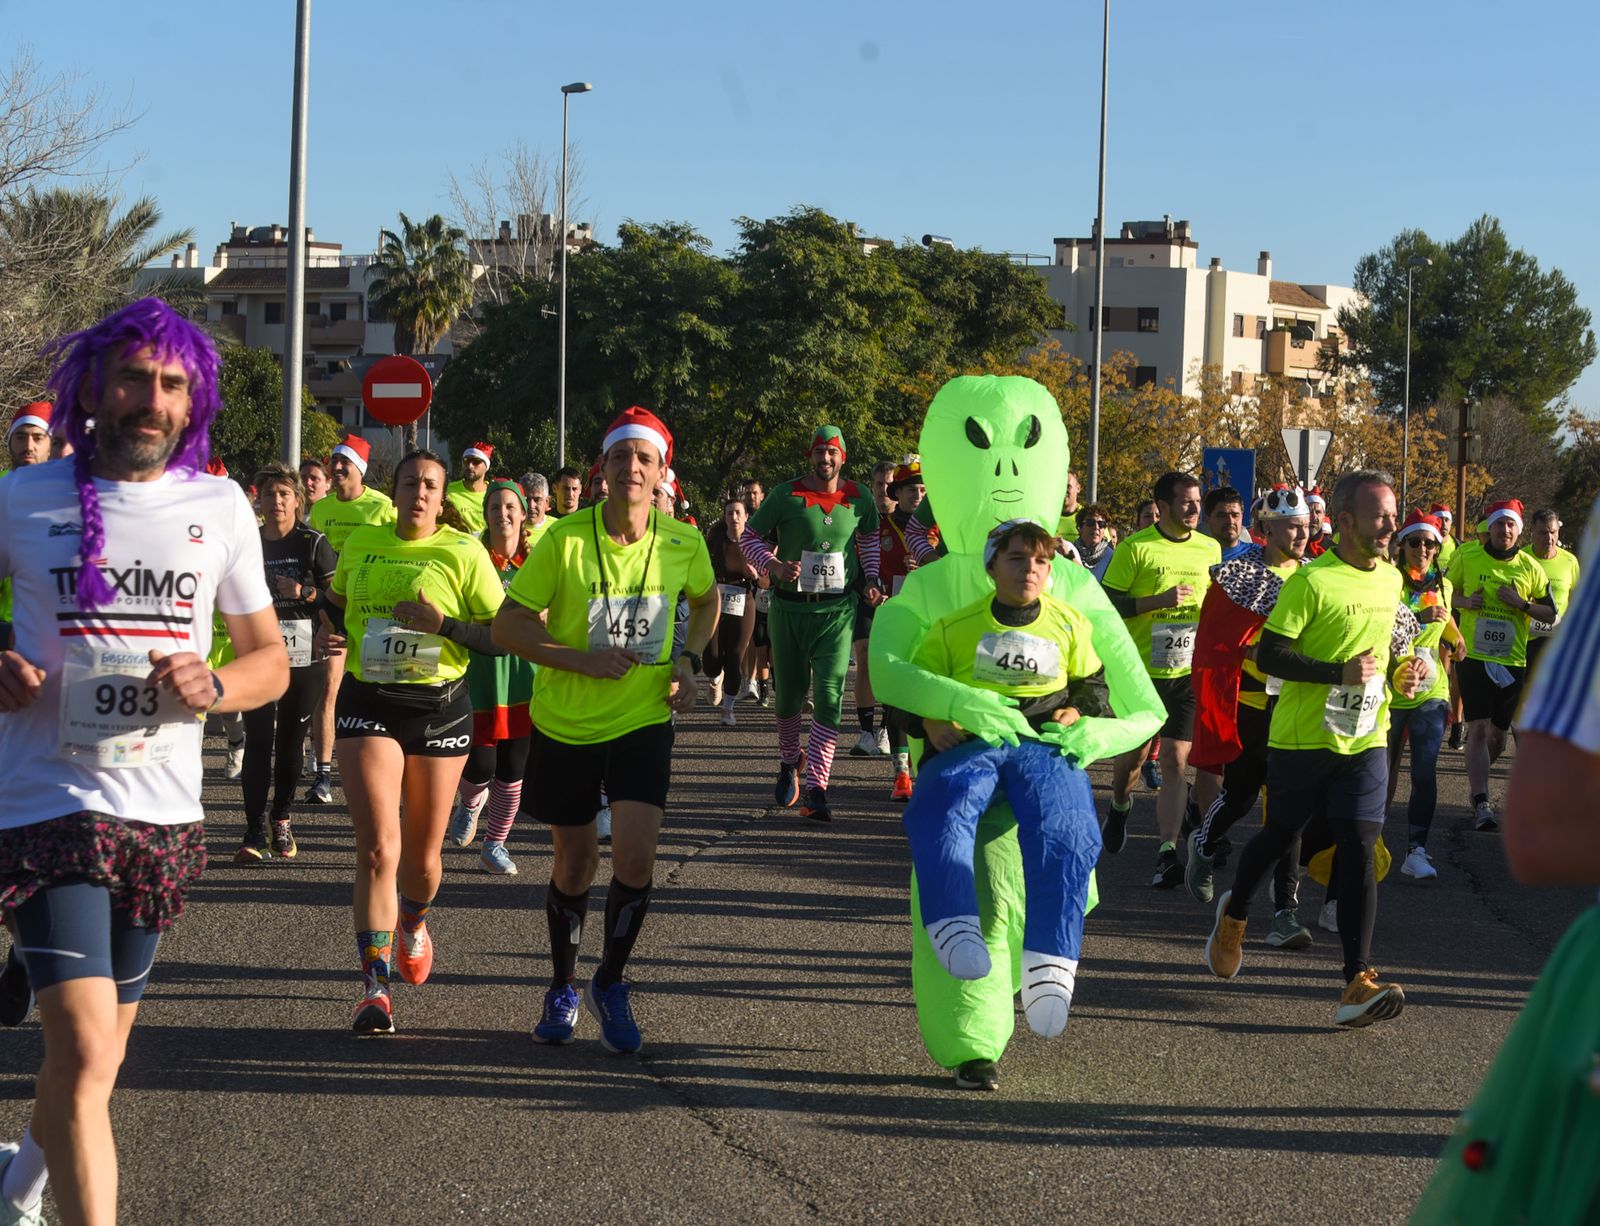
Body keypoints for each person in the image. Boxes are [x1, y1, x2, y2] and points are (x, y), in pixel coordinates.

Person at [0, 299, 287, 1223]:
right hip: (48, 805)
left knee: (94, 1063)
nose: (148, 401)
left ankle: (14, 1193)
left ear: (191, 397)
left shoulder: (218, 505)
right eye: (132, 378)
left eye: (169, 384)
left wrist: (217, 684)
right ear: (93, 386)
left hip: (164, 816)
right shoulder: (22, 497)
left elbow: (271, 660)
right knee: (83, 1056)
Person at [869, 375, 1162, 1092]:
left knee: (1042, 870)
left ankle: (1038, 977)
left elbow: (1132, 697)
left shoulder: (1073, 589)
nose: (1002, 465)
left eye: (1021, 447)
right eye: (979, 446)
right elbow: (888, 668)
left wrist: (1089, 729)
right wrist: (937, 713)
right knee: (967, 881)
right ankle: (973, 1043)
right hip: (958, 764)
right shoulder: (932, 588)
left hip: (1041, 767)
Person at [492, 406, 716, 1055]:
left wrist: (689, 658)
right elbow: (508, 626)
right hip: (566, 722)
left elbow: (705, 601)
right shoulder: (563, 539)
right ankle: (563, 984)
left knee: (637, 855)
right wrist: (578, 659)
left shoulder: (683, 543)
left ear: (661, 472)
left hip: (644, 718)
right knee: (576, 861)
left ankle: (609, 983)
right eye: (621, 457)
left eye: (644, 459)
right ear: (603, 470)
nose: (632, 468)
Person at [1409, 495, 1600, 1225]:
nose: (1518, 535)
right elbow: (1545, 829)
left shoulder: (1562, 567)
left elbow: (1549, 616)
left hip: (1521, 654)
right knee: (1483, 734)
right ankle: (1477, 796)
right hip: (1476, 664)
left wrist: (1527, 605)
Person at [1205, 470, 1425, 1028]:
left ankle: (1357, 979)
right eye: (1380, 516)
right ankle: (1234, 915)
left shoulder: (1392, 580)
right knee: (1281, 836)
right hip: (1303, 739)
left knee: (1357, 847)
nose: (1391, 526)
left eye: (1393, 515)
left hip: (1366, 738)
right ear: (1346, 522)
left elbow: (1381, 657)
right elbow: (1272, 655)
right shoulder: (1311, 583)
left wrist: (1408, 669)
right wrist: (1337, 672)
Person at [902, 519, 1127, 1038]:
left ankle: (1051, 963)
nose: (1031, 569)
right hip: (973, 741)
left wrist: (1079, 711)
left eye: (1042, 561)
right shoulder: (954, 627)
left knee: (1070, 830)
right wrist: (930, 720)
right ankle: (953, 923)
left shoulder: (1070, 623)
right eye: (1018, 558)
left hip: (1041, 746)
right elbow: (912, 688)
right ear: (992, 565)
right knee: (940, 811)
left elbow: (1093, 685)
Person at [321, 448, 503, 1035]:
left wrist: (444, 627)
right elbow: (340, 603)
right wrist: (330, 633)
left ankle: (414, 921)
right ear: (393, 490)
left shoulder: (463, 551)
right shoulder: (362, 543)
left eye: (430, 485)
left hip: (439, 709)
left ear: (441, 496)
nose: (419, 492)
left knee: (423, 862)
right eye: (409, 483)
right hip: (368, 702)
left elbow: (501, 636)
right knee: (378, 847)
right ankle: (374, 987)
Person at [1184, 485, 1311, 952]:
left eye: (1305, 525)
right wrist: (1256, 651)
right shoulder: (1240, 575)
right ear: (1267, 529)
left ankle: (1285, 912)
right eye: (1291, 526)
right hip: (1251, 707)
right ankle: (1203, 841)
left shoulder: (1316, 576)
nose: (1300, 533)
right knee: (1238, 798)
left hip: (1296, 710)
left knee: (1288, 811)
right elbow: (1215, 642)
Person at [740, 426, 883, 822]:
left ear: (843, 457)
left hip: (837, 611)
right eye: (819, 452)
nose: (825, 459)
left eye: (832, 453)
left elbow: (870, 539)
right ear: (810, 456)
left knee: (830, 694)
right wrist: (773, 565)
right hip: (789, 610)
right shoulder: (785, 495)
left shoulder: (859, 497)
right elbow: (749, 538)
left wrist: (871, 579)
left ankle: (818, 786)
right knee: (788, 698)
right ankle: (789, 762)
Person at [1100, 472, 1220, 888]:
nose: (1194, 509)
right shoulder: (1135, 549)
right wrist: (1159, 601)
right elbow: (1109, 604)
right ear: (1162, 507)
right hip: (1140, 673)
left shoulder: (1210, 547)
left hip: (1186, 672)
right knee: (1132, 761)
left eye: (1198, 501)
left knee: (1175, 761)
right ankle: (1119, 803)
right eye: (1186, 502)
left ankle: (1167, 853)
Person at [236, 463, 336, 862]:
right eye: (268, 494)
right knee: (258, 739)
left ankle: (281, 817)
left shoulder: (313, 542)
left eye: (283, 494)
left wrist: (305, 592)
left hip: (303, 654)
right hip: (258, 654)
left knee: (291, 741)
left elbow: (336, 599)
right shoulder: (247, 542)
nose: (276, 501)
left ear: (298, 499)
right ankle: (253, 828)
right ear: (257, 499)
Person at [1445, 498, 1555, 829]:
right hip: (1474, 656)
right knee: (1477, 728)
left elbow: (1551, 613)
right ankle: (1482, 801)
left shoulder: (1530, 568)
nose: (1504, 530)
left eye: (1510, 525)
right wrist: (1465, 601)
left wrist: (1521, 604)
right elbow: (1442, 593)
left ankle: (1478, 775)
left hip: (1511, 659)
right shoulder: (1466, 555)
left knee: (1498, 736)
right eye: (1498, 524)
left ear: (1518, 531)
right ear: (1489, 528)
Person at [446, 479, 537, 874]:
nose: (503, 514)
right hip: (480, 673)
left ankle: (495, 844)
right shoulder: (471, 556)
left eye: (509, 507)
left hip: (524, 676)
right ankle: (468, 802)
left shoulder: (538, 560)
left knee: (514, 766)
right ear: (484, 514)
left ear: (523, 514)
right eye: (495, 507)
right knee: (481, 763)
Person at [306, 435, 396, 805]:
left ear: (360, 470)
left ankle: (383, 769)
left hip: (374, 614)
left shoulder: (382, 506)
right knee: (329, 689)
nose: (338, 468)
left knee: (376, 693)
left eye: (346, 464)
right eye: (334, 462)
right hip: (335, 609)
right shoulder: (322, 510)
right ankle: (323, 775)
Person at [1381, 510, 1464, 883]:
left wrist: (1456, 636)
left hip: (1432, 690)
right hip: (1392, 688)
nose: (1423, 549)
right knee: (1382, 772)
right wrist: (1421, 616)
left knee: (1424, 771)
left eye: (1430, 543)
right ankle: (1371, 841)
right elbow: (1383, 624)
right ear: (1403, 546)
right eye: (1415, 542)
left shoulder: (1439, 581)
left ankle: (1417, 849)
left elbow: (1443, 615)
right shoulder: (1389, 581)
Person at [879, 460, 933, 799]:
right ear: (896, 493)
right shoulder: (880, 528)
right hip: (892, 615)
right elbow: (867, 569)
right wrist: (875, 590)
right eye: (912, 489)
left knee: (926, 693)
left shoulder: (938, 529)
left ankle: (922, 766)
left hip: (929, 620)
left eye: (924, 490)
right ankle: (901, 775)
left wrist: (927, 566)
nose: (918, 494)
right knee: (895, 693)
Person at [847, 460, 901, 757]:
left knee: (891, 664)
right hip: (864, 599)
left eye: (888, 485)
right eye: (878, 485)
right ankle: (866, 732)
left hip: (897, 602)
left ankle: (885, 728)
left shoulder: (909, 523)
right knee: (865, 657)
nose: (883, 491)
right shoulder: (860, 520)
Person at [702, 496, 761, 726]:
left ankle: (728, 709)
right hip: (717, 599)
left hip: (743, 601)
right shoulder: (716, 539)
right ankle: (715, 677)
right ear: (724, 517)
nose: (734, 517)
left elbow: (766, 580)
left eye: (738, 513)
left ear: (746, 516)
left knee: (735, 657)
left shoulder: (754, 543)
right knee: (712, 658)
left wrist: (755, 574)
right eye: (729, 513)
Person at [1, 403, 56, 651]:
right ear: (10, 441)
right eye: (21, 437)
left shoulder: (66, 494)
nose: (29, 446)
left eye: (38, 437)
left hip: (46, 631)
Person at [1523, 506, 1580, 676]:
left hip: (1557, 638)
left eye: (1553, 532)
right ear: (1531, 530)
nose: (1549, 538)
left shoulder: (1569, 561)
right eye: (1543, 533)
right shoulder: (1521, 558)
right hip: (1526, 638)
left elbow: (1576, 599)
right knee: (1525, 693)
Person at [445, 441, 492, 535]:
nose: (470, 466)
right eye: (466, 460)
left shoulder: (493, 493)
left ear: (486, 466)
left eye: (476, 462)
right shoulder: (449, 490)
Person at [1202, 486, 1252, 562]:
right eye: (1222, 516)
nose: (1230, 521)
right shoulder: (1195, 554)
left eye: (1235, 515)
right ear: (1207, 520)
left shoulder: (1258, 555)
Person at [1073, 503, 1114, 580]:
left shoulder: (1113, 558)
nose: (1096, 527)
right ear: (1079, 527)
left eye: (1101, 524)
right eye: (1090, 523)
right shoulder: (1069, 553)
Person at [521, 472, 554, 550]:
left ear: (547, 502)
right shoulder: (509, 528)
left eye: (537, 500)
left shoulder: (557, 527)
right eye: (526, 499)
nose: (531, 505)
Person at [1304, 488, 1330, 557]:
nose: (1314, 517)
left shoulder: (1332, 549)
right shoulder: (1291, 547)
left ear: (1324, 516)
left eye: (1318, 512)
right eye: (1309, 512)